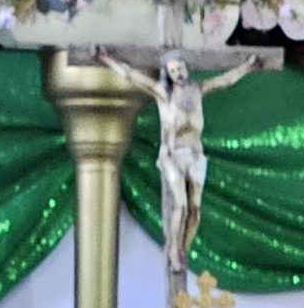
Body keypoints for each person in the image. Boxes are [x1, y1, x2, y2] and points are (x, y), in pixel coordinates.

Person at [103, 50, 255, 282]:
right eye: (173, 70)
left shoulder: (198, 90)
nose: (178, 73)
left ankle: (184, 250)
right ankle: (174, 248)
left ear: (186, 68)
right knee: (181, 206)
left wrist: (248, 66)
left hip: (195, 155)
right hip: (173, 156)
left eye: (180, 68)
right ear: (168, 74)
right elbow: (131, 75)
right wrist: (107, 59)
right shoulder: (162, 93)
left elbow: (225, 80)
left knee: (195, 210)